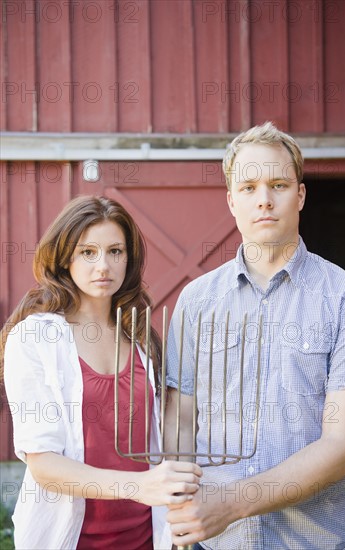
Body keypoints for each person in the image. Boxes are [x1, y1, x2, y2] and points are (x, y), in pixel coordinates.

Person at [165, 122, 345, 550]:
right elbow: (179, 420)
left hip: (317, 541)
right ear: (231, 201)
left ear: (300, 195)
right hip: (217, 542)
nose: (264, 199)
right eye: (248, 187)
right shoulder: (196, 300)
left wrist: (233, 503)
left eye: (278, 184)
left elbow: (343, 444)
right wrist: (183, 502)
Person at [1, 195, 202, 550]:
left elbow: (165, 437)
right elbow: (44, 464)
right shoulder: (35, 338)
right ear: (65, 258)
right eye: (88, 252)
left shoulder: (140, 338)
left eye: (115, 251)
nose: (103, 266)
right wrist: (139, 486)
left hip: (146, 536)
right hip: (69, 538)